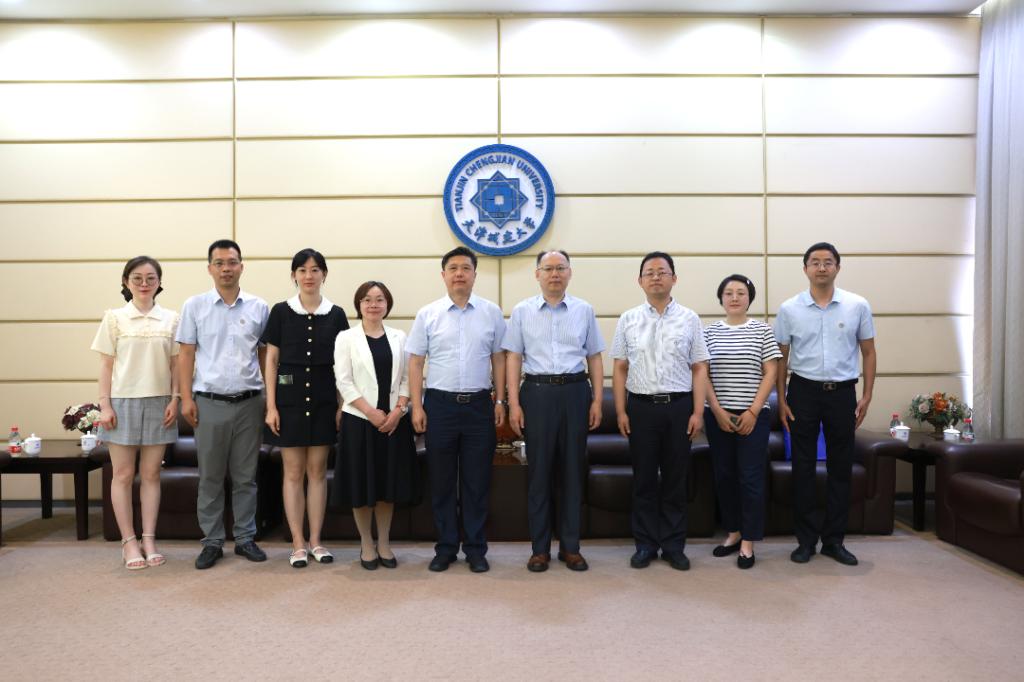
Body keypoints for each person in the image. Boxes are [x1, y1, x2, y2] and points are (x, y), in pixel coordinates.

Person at [775, 242, 876, 566]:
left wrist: (867, 395)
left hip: (842, 393)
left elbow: (869, 352)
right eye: (815, 262)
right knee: (803, 468)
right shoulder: (789, 309)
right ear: (805, 269)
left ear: (837, 268)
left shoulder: (857, 305)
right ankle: (805, 541)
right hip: (802, 392)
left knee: (840, 468)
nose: (821, 267)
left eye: (828, 262)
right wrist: (782, 400)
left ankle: (834, 541)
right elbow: (781, 358)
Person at [407, 246, 506, 573]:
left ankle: (476, 549)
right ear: (443, 275)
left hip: (479, 405)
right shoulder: (428, 314)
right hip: (440, 406)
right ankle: (446, 547)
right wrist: (417, 406)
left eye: (466, 268)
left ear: (475, 274)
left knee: (477, 482)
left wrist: (500, 400)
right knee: (442, 481)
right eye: (453, 268)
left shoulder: (491, 312)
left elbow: (499, 358)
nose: (459, 273)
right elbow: (416, 362)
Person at [505, 250, 604, 573]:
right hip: (536, 393)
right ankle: (540, 549)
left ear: (570, 273)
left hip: (575, 391)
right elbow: (513, 358)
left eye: (560, 268)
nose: (554, 274)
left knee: (572, 472)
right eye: (548, 269)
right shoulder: (522, 311)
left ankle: (571, 548)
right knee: (539, 474)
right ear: (537, 274)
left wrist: (596, 401)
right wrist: (513, 404)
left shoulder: (584, 310)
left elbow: (594, 357)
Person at [610, 252, 709, 572]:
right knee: (644, 480)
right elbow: (620, 368)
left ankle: (674, 546)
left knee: (675, 480)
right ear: (640, 281)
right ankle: (645, 545)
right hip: (641, 408)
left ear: (674, 279)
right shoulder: (628, 319)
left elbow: (699, 367)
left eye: (662, 272)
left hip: (679, 407)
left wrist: (698, 412)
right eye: (649, 272)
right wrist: (621, 411)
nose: (656, 277)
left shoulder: (690, 318)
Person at [177, 239, 270, 570]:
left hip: (250, 402)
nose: (226, 269)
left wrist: (270, 399)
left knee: (246, 477)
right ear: (210, 269)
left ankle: (245, 538)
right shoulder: (195, 306)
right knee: (211, 477)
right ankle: (212, 541)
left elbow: (265, 355)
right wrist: (185, 398)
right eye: (219, 263)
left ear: (241, 266)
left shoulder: (259, 307)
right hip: (209, 402)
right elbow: (185, 355)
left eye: (232, 262)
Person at [263, 249, 349, 568]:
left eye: (315, 270)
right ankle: (297, 542)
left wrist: (342, 404)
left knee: (317, 472)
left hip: (325, 401)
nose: (309, 275)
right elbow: (272, 360)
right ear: (294, 275)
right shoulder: (281, 312)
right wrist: (271, 405)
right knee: (293, 472)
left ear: (324, 274)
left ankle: (316, 541)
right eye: (302, 270)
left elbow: (344, 364)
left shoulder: (336, 314)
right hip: (289, 403)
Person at [92, 256, 180, 570]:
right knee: (123, 475)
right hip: (122, 402)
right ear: (126, 282)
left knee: (152, 474)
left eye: (151, 278)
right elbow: (106, 365)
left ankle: (149, 539)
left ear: (159, 282)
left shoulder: (171, 319)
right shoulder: (114, 318)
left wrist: (175, 399)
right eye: (137, 278)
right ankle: (128, 542)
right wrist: (105, 405)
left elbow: (176, 365)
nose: (144, 284)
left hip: (160, 402)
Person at [331, 281, 417, 570]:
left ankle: (384, 543)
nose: (373, 305)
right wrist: (371, 412)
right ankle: (366, 543)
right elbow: (343, 381)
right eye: (367, 300)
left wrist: (398, 411)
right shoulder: (346, 338)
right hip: (359, 421)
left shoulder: (399, 337)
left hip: (393, 423)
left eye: (379, 299)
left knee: (386, 486)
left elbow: (407, 378)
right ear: (359, 305)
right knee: (361, 487)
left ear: (387, 304)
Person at [703, 274, 781, 570]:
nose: (734, 297)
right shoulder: (709, 332)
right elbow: (702, 373)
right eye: (728, 293)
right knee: (724, 475)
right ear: (720, 298)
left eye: (740, 293)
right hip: (718, 415)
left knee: (750, 478)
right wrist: (717, 410)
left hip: (754, 415)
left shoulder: (762, 331)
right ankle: (733, 532)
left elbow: (771, 372)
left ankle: (748, 541)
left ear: (750, 298)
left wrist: (753, 411)